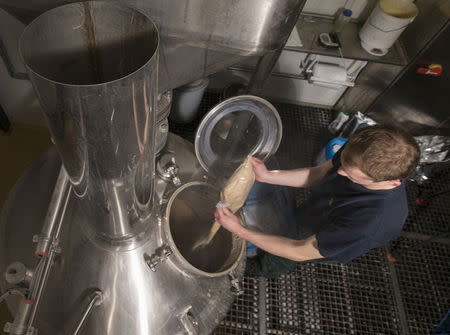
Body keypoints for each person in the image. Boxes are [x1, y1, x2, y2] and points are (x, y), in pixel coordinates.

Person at [214, 125, 420, 277]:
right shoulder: (360, 151)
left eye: (350, 175)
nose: (339, 172)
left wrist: (239, 230)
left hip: (320, 242)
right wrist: (267, 176)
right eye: (343, 164)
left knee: (278, 260)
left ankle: (256, 269)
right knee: (293, 226)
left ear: (392, 183)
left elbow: (299, 251)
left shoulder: (369, 223)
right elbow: (320, 174)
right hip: (319, 210)